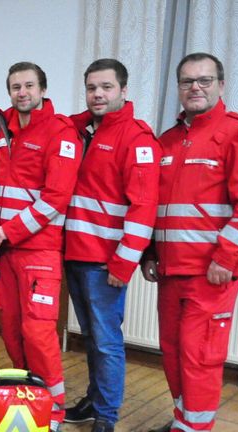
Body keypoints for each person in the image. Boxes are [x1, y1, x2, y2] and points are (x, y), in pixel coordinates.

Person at [142, 52, 238, 432]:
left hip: (211, 274)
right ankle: (185, 422)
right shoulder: (166, 141)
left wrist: (225, 257)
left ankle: (195, 428)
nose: (195, 87)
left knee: (199, 358)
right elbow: (156, 206)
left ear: (221, 85)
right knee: (173, 354)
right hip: (169, 272)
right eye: (187, 81)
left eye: (204, 80)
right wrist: (149, 253)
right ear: (178, 88)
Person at [63, 59, 160, 432]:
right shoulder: (83, 129)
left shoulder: (136, 139)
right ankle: (95, 400)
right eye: (91, 88)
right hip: (76, 254)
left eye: (106, 87)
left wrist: (124, 263)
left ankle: (106, 416)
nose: (97, 95)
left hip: (105, 263)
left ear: (123, 90)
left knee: (106, 343)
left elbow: (144, 207)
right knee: (91, 338)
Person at [0, 62, 82, 432]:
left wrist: (9, 230)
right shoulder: (4, 127)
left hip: (38, 251)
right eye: (15, 86)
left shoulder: (61, 133)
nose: (22, 92)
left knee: (39, 334)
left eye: (29, 85)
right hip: (6, 251)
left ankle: (53, 410)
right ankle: (28, 395)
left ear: (42, 89)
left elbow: (57, 197)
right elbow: (4, 182)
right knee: (10, 329)